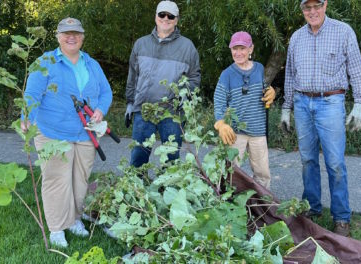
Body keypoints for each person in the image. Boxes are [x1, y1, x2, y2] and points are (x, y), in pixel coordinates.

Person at [21, 17, 113, 247]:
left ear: (82, 37)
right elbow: (31, 95)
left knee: (79, 179)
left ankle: (73, 220)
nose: (71, 37)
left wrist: (100, 110)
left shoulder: (91, 64)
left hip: (85, 133)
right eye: (66, 33)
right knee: (56, 179)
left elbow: (106, 92)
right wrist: (26, 118)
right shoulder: (45, 62)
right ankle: (56, 228)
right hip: (53, 132)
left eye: (76, 33)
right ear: (58, 37)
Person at [281, 0, 361, 236]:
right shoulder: (297, 38)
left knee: (335, 163)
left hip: (331, 103)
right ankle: (311, 208)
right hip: (301, 103)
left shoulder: (343, 31)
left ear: (325, 5)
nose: (312, 12)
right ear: (302, 10)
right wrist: (286, 108)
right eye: (307, 8)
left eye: (316, 6)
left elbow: (357, 69)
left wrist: (360, 104)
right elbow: (290, 74)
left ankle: (341, 217)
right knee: (308, 160)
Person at [124, 0, 201, 168]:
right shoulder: (141, 44)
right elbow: (132, 76)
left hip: (172, 113)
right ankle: (137, 188)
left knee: (171, 158)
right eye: (162, 14)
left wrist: (186, 94)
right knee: (138, 156)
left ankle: (167, 191)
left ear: (176, 20)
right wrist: (130, 103)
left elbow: (194, 78)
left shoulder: (187, 47)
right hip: (143, 110)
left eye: (170, 16)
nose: (166, 18)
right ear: (155, 17)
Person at [213, 31, 276, 190]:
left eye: (243, 48)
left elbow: (265, 90)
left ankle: (263, 206)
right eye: (235, 48)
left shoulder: (260, 69)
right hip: (235, 132)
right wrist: (221, 124)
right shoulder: (226, 75)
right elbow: (219, 101)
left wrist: (271, 92)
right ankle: (227, 202)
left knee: (262, 173)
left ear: (251, 49)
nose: (238, 52)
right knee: (231, 171)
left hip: (258, 131)